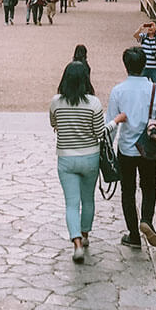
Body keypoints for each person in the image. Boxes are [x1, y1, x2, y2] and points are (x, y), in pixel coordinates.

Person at [106, 46, 156, 248]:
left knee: (128, 191)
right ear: (144, 65)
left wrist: (107, 148)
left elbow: (112, 123)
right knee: (149, 186)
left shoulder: (118, 91)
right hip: (148, 147)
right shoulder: (155, 90)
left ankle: (133, 234)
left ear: (126, 66)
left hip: (126, 148)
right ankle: (147, 220)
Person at [51, 60, 111, 263]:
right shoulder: (93, 103)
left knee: (71, 203)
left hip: (66, 158)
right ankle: (85, 235)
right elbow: (99, 132)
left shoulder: (56, 102)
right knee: (88, 200)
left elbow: (53, 123)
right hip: (90, 156)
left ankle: (76, 242)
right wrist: (114, 122)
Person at [134, 19, 156, 84]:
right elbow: (135, 35)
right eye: (149, 26)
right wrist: (140, 29)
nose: (150, 28)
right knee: (142, 84)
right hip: (145, 66)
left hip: (155, 67)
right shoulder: (144, 37)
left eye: (152, 26)